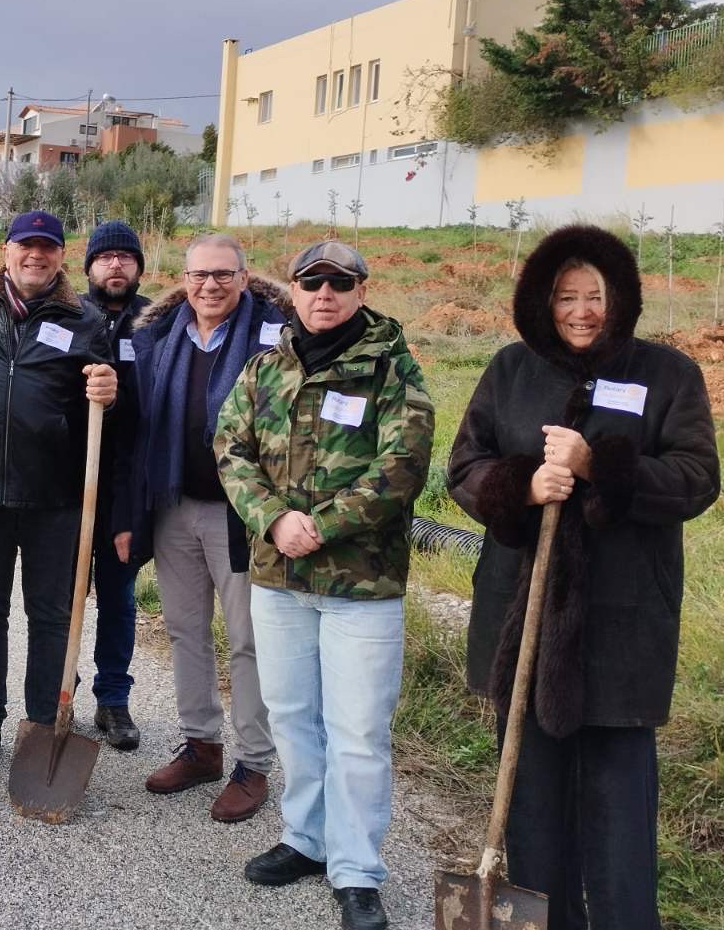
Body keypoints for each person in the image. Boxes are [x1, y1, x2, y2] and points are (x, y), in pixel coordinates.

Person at [448, 225, 719, 929]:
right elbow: (464, 467)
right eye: (565, 295)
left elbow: (697, 480)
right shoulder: (511, 370)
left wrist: (600, 465)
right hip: (523, 617)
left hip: (621, 626)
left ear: (620, 299)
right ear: (541, 298)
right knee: (532, 803)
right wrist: (524, 486)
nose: (579, 310)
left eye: (594, 296)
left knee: (619, 807)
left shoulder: (667, 375)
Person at [215, 241, 432, 930]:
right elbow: (231, 449)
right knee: (292, 719)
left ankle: (358, 869)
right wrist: (275, 521)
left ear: (362, 291)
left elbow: (403, 465)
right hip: (279, 579)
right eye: (312, 282)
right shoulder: (265, 368)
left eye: (341, 282)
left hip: (360, 588)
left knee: (359, 731)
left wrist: (323, 526)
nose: (325, 293)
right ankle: (306, 840)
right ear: (295, 290)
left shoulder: (392, 368)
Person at [0, 210, 117, 771]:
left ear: (62, 256)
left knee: (50, 612)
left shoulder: (84, 318)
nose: (35, 256)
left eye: (47, 247)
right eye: (25, 246)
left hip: (56, 494)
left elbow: (114, 399)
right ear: (7, 250)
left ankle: (43, 724)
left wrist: (112, 390)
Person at [115, 233, 283, 822]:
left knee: (246, 640)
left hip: (242, 516)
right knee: (186, 631)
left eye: (222, 274)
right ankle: (202, 745)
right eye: (200, 275)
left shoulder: (274, 334)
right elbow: (138, 431)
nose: (210, 286)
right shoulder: (160, 336)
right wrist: (131, 515)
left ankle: (255, 762)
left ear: (243, 276)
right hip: (174, 505)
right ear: (183, 279)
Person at [77, 220, 151, 751]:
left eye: (126, 257)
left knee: (120, 598)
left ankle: (112, 699)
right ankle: (58, 686)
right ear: (90, 268)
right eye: (106, 258)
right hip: (70, 486)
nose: (116, 265)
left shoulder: (160, 323)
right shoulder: (68, 315)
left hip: (129, 485)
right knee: (63, 597)